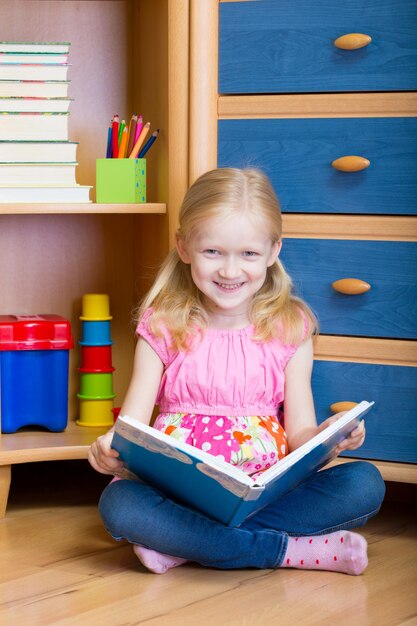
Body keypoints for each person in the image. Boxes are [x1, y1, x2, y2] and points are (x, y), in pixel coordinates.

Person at [88, 167, 385, 575]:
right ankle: (286, 552)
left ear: (273, 250)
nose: (230, 271)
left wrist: (330, 438)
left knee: (364, 483)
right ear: (185, 246)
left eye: (248, 254)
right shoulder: (162, 325)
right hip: (177, 494)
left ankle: (187, 544)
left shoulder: (290, 327)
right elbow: (133, 428)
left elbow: (300, 432)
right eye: (213, 252)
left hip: (266, 493)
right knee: (119, 505)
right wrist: (108, 450)